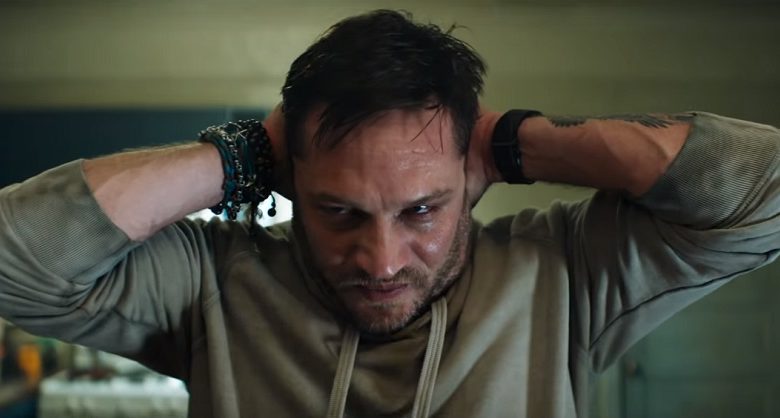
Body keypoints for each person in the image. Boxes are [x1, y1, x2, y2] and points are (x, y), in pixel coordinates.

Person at [0, 9, 778, 418]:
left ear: (473, 175)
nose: (381, 260)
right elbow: (14, 258)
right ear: (289, 182)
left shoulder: (562, 274)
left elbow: (766, 194)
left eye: (421, 209)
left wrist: (519, 141)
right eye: (338, 210)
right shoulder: (216, 283)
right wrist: (242, 155)